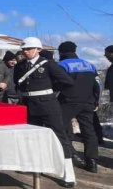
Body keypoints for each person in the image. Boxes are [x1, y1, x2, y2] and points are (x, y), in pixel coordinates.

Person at [14, 37, 76, 187]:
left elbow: (67, 81)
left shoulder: (49, 64)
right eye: (23, 49)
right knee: (33, 137)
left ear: (38, 50)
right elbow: (18, 83)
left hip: (48, 106)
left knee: (59, 137)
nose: (25, 52)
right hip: (29, 105)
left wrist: (49, 91)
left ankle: (69, 174)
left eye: (28, 49)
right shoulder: (20, 66)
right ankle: (38, 167)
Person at [57, 41, 100, 173]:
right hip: (87, 102)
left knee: (61, 129)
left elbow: (57, 85)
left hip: (68, 102)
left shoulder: (62, 65)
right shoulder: (89, 65)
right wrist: (95, 101)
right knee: (89, 131)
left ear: (62, 52)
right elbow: (97, 84)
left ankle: (73, 155)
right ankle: (92, 161)